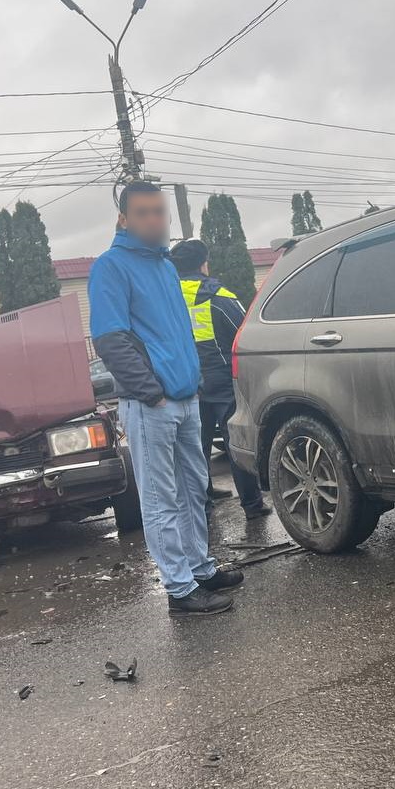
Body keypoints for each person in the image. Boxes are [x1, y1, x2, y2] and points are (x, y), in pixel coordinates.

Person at [89, 182, 242, 615]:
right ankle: (179, 589)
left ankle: (200, 567)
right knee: (160, 498)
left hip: (187, 398)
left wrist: (189, 384)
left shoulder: (164, 267)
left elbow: (176, 333)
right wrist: (151, 392)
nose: (154, 220)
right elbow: (111, 338)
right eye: (143, 212)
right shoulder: (111, 267)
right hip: (150, 405)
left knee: (195, 488)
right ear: (124, 218)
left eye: (160, 212)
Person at [169, 238, 272, 521]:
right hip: (222, 381)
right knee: (233, 442)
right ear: (204, 264)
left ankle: (202, 502)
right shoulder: (218, 294)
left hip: (185, 383)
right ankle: (252, 505)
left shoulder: (165, 298)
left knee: (193, 446)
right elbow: (244, 332)